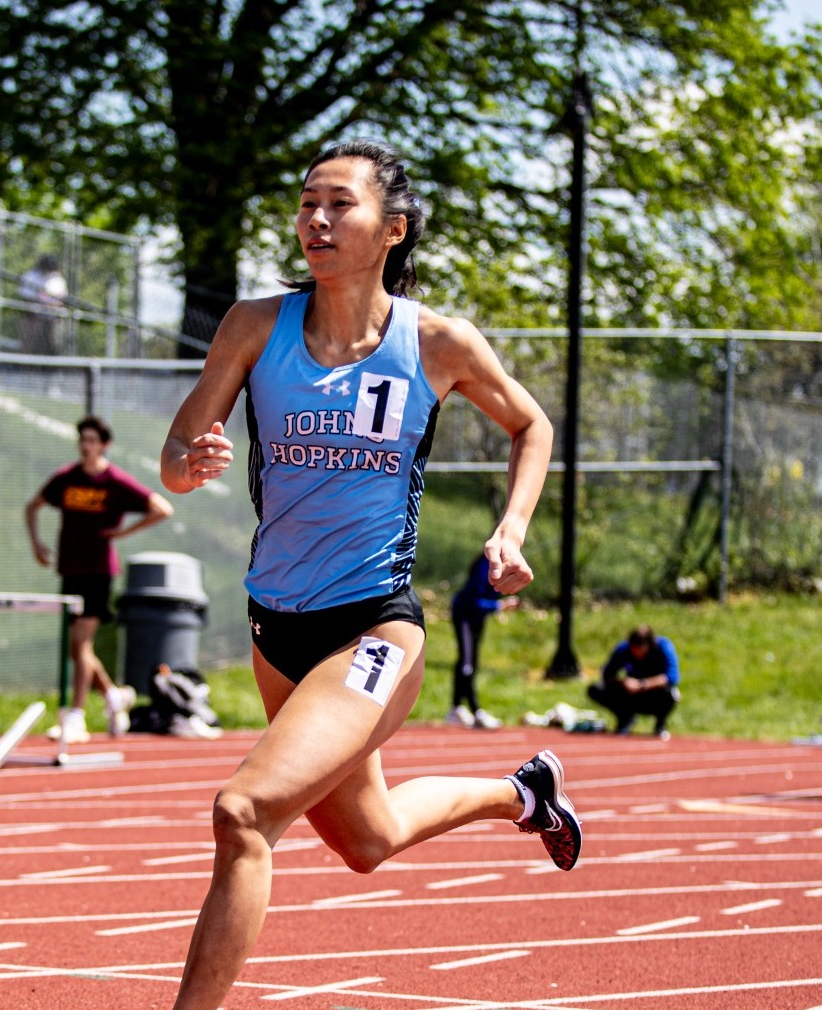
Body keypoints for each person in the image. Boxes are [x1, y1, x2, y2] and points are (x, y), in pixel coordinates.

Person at [159, 138, 574, 1010]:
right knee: (368, 839)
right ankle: (521, 794)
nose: (316, 218)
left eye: (338, 204)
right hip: (275, 623)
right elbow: (176, 455)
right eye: (307, 201)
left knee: (243, 815)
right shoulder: (251, 325)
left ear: (392, 228)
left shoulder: (436, 341)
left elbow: (530, 425)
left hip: (372, 628)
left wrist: (510, 529)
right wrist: (190, 462)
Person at [26, 415, 173, 742]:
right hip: (70, 569)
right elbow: (32, 506)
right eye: (83, 440)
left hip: (98, 572)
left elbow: (162, 508)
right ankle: (113, 695)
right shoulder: (66, 478)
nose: (86, 446)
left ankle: (76, 717)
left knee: (81, 644)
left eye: (93, 440)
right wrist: (37, 543)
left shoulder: (115, 482)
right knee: (76, 649)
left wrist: (123, 532)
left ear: (104, 445)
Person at [447, 553, 514, 729]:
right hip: (466, 616)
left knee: (470, 662)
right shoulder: (487, 563)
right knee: (467, 663)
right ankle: (470, 710)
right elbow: (472, 600)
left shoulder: (498, 563)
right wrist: (498, 606)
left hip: (477, 618)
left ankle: (459, 708)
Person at [588, 624, 681, 739]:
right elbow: (607, 673)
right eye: (634, 649)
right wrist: (623, 682)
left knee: (671, 694)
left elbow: (672, 677)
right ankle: (625, 717)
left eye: (640, 650)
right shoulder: (623, 649)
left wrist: (642, 684)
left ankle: (660, 724)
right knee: (596, 689)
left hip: (654, 694)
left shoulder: (664, 647)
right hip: (630, 695)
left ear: (649, 645)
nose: (636, 653)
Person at [17, 252, 66, 354]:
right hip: (33, 316)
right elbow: (25, 296)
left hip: (52, 317)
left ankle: (53, 367)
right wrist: (40, 302)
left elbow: (61, 301)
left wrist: (50, 305)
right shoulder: (31, 276)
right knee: (29, 341)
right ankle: (24, 365)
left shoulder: (57, 279)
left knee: (54, 343)